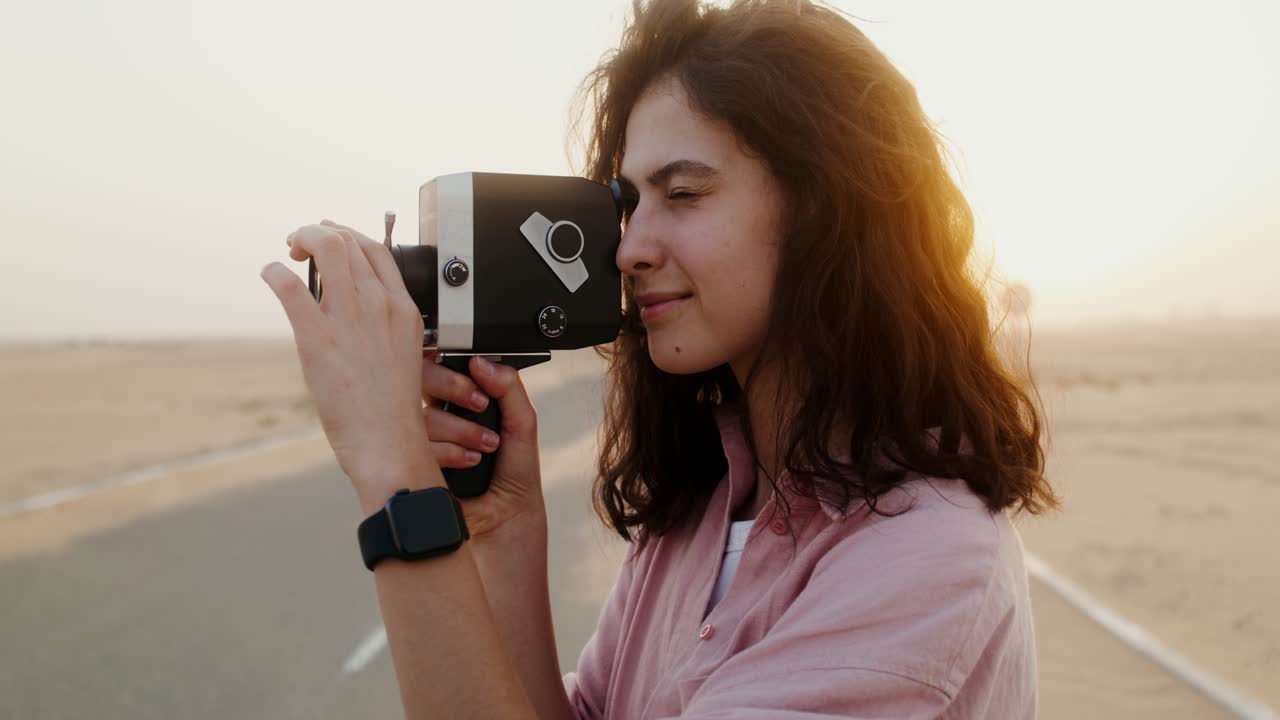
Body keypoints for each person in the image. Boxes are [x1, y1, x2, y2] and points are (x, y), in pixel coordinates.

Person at [260, 0, 1059, 717]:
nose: (632, 249)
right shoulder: (702, 520)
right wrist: (503, 523)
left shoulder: (923, 558)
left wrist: (393, 479)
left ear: (825, 211)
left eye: (682, 194)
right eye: (628, 204)